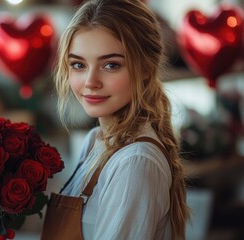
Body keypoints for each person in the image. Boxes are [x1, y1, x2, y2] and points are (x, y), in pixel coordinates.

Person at [41, 0, 189, 239]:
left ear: (145, 68)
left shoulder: (135, 161)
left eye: (111, 65)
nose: (90, 81)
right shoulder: (95, 140)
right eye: (78, 64)